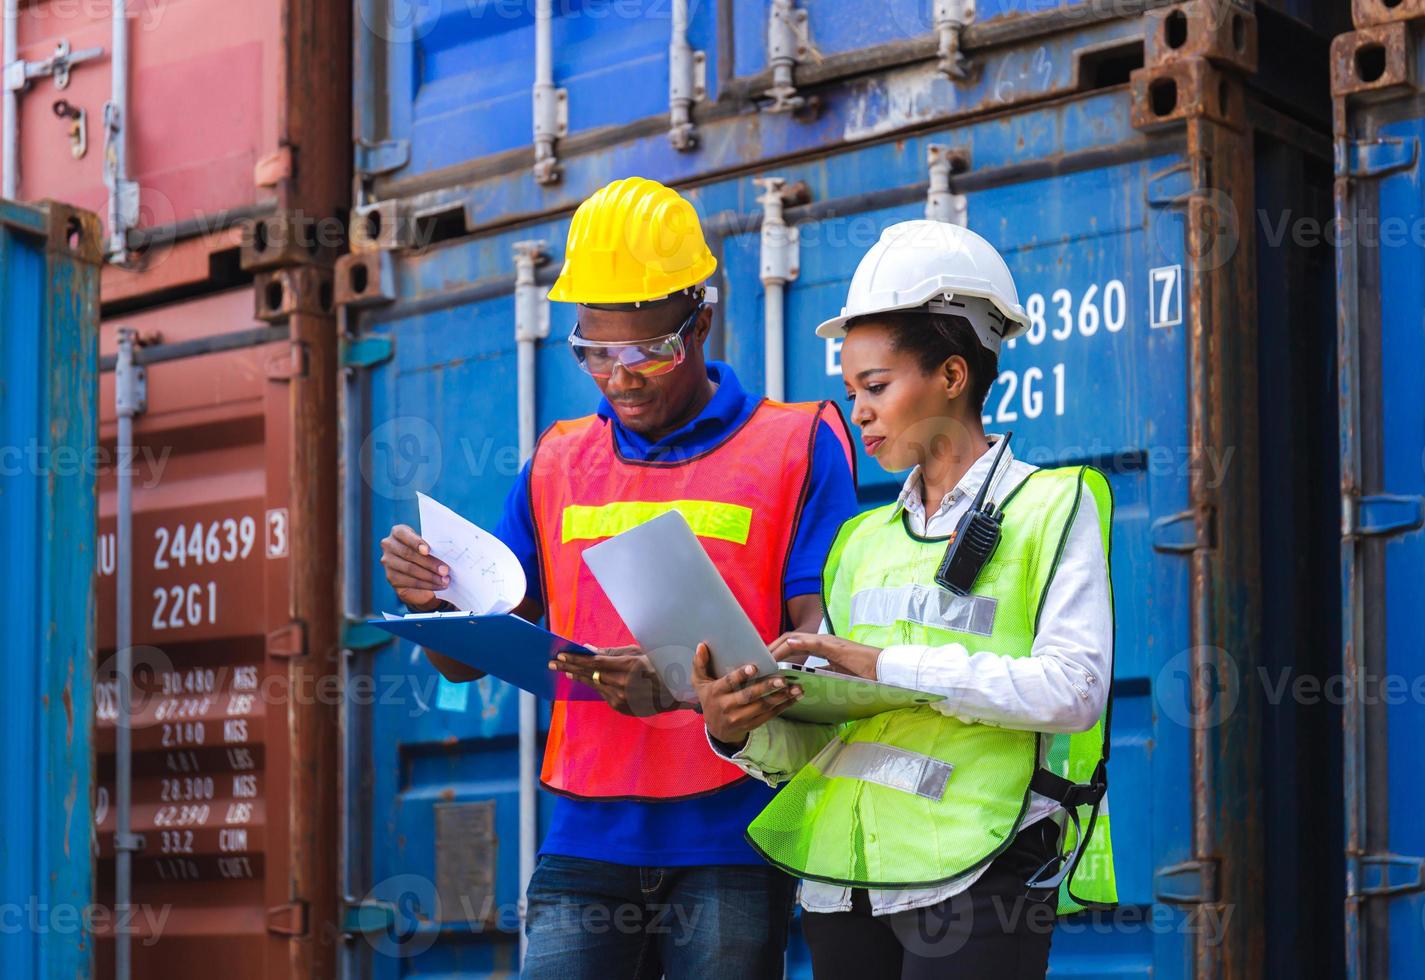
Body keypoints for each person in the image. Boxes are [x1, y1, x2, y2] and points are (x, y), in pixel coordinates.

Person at [378, 176, 860, 979]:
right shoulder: (557, 460)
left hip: (736, 836)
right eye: (595, 353)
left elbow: (822, 654)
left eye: (650, 350)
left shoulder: (798, 445)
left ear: (701, 318)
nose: (622, 376)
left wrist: (679, 690)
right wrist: (435, 606)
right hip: (585, 836)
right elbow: (475, 655)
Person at [692, 219, 1118, 979]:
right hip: (846, 886)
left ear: (952, 376)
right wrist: (735, 731)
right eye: (850, 390)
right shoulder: (860, 542)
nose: (856, 411)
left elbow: (1072, 690)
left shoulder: (1051, 506)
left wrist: (884, 662)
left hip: (981, 874)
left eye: (876, 387)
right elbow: (831, 744)